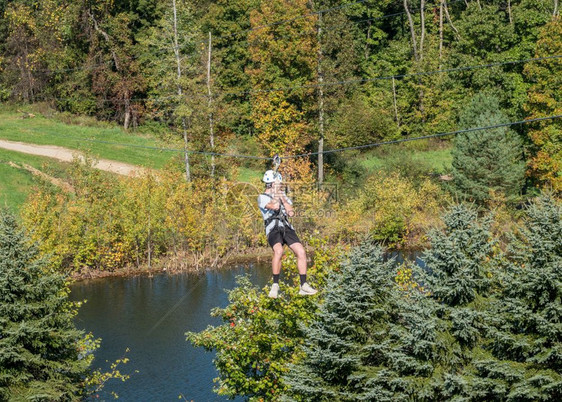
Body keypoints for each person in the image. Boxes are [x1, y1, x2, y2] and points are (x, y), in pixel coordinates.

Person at [257, 170, 318, 298]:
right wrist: (277, 195)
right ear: (270, 184)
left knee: (301, 251)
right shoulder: (262, 197)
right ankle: (275, 285)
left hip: (286, 226)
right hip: (273, 228)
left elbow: (290, 212)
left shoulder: (283, 195)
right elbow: (273, 206)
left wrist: (282, 196)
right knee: (278, 251)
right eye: (277, 184)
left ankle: (303, 285)